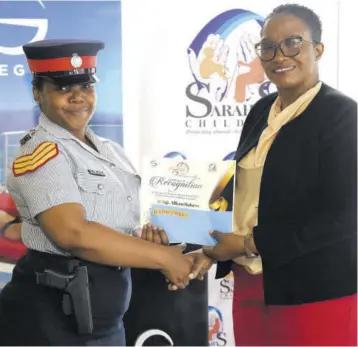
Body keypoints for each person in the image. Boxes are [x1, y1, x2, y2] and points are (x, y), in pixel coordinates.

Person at [173, 3, 357, 346]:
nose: (279, 55)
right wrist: (207, 248)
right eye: (268, 47)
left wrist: (247, 243)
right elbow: (245, 198)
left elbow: (344, 216)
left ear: (318, 48)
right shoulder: (259, 112)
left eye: (293, 42)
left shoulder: (342, 116)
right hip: (251, 282)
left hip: (314, 290)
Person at [0, 39, 205, 346]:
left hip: (104, 324)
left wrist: (154, 239)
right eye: (63, 88)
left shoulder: (112, 153)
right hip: (50, 323)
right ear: (37, 93)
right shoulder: (41, 153)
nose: (78, 97)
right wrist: (163, 258)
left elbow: (119, 226)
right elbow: (73, 233)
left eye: (86, 86)